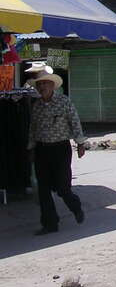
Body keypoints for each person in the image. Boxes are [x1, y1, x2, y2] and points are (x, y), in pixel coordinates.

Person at [27, 73, 86, 235]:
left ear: (53, 86)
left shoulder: (64, 102)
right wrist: (31, 148)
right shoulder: (36, 105)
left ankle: (76, 207)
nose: (42, 87)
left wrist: (80, 143)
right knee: (43, 189)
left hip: (61, 149)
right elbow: (33, 128)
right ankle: (50, 223)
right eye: (39, 84)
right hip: (41, 149)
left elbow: (75, 122)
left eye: (45, 84)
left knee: (62, 187)